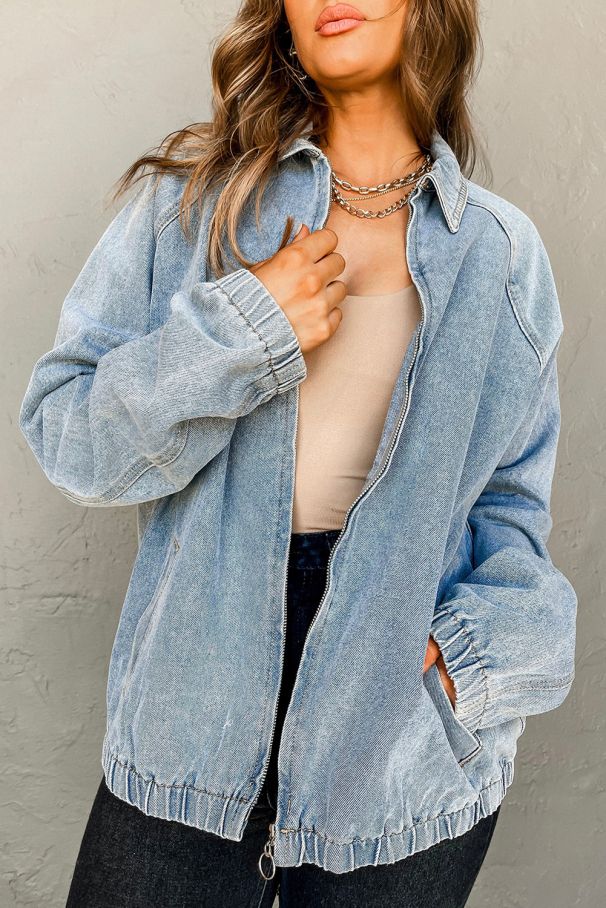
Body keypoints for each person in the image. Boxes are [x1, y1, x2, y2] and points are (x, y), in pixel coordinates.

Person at [19, 1, 577, 905]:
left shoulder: (500, 255)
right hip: (189, 718)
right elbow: (67, 434)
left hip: (400, 742)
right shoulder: (194, 207)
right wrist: (243, 332)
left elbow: (510, 511)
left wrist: (462, 658)